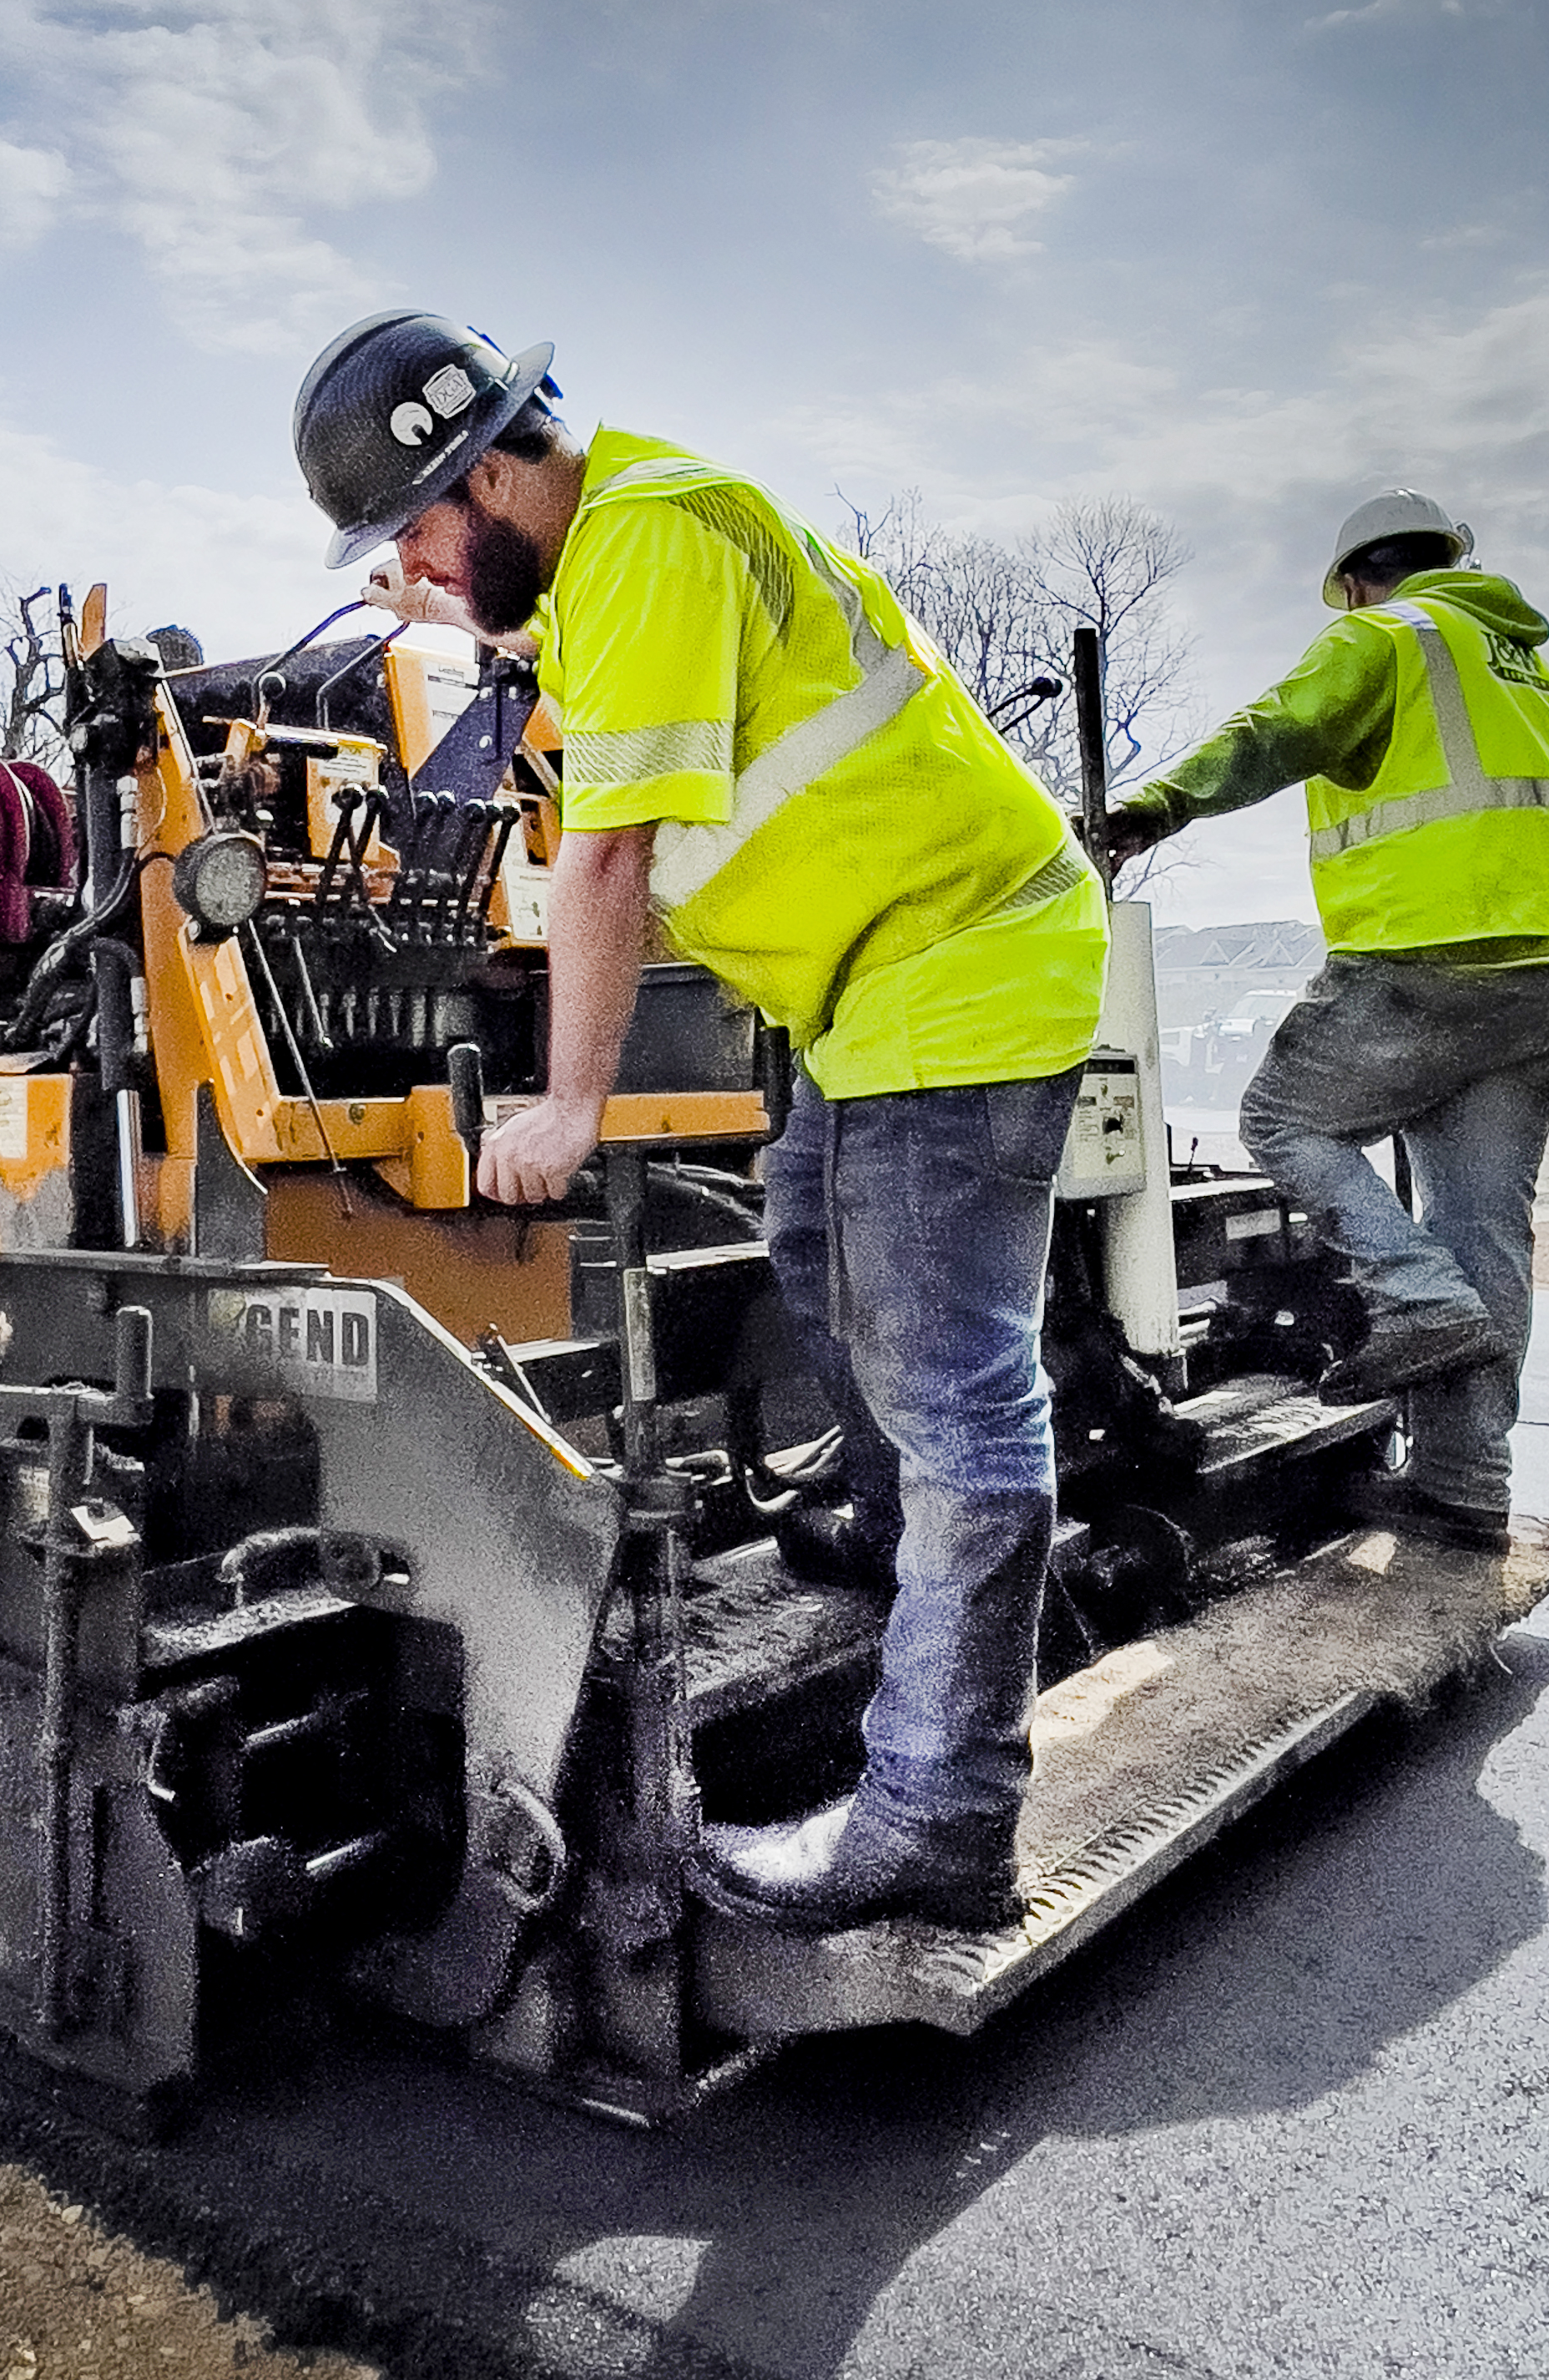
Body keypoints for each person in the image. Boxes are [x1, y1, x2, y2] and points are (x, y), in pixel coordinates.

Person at [292, 310, 1109, 1931]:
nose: (424, 581)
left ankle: (939, 1817)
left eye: (422, 543)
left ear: (492, 472)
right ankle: (895, 1548)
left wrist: (568, 1103)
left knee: (954, 1391)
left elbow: (600, 859)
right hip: (876, 992)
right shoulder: (603, 568)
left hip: (955, 971)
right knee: (812, 1247)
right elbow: (591, 732)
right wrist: (489, 640)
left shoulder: (643, 544)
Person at [1105, 491, 1549, 1554]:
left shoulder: (1384, 635)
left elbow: (1274, 732)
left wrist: (1152, 807)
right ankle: (1463, 1491)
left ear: (1350, 580)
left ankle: (1416, 1296)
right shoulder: (1531, 673)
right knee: (1483, 1235)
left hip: (1430, 959)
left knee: (1286, 1120)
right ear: (1448, 559)